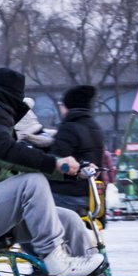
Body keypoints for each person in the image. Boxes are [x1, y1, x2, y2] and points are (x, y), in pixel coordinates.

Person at [0, 68, 105, 276]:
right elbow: (3, 153)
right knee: (33, 183)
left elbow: (13, 167)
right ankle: (56, 264)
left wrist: (71, 173)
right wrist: (57, 164)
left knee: (70, 219)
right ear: (12, 99)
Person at [48, 85, 105, 215]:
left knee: (33, 201)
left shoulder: (68, 128)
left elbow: (58, 162)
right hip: (90, 195)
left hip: (68, 195)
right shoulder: (94, 127)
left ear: (68, 106)